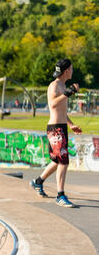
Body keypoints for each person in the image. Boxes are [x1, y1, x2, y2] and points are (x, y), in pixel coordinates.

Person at [30, 59, 82, 207]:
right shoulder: (54, 86)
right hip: (55, 129)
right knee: (64, 161)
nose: (72, 71)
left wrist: (71, 125)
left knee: (56, 161)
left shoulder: (62, 86)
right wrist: (70, 91)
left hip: (61, 127)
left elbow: (61, 111)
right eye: (71, 69)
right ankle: (60, 195)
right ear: (66, 71)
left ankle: (38, 182)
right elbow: (52, 104)